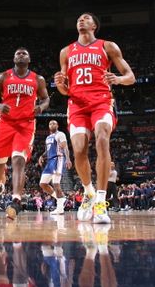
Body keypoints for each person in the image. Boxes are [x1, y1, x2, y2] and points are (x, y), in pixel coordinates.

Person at [54, 13, 136, 224]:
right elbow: (64, 90)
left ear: (94, 26)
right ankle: (89, 193)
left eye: (86, 18)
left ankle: (100, 202)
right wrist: (60, 83)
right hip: (77, 105)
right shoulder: (66, 51)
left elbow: (130, 77)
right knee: (79, 149)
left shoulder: (108, 46)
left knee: (101, 138)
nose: (81, 20)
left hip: (101, 101)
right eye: (79, 18)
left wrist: (117, 79)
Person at [0, 48, 51, 219]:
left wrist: (41, 107)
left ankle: (16, 200)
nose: (21, 55)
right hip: (5, 123)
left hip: (26, 125)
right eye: (17, 53)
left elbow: (46, 99)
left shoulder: (38, 79)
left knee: (18, 160)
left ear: (29, 59)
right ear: (14, 59)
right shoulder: (3, 77)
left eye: (24, 53)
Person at [38, 120, 71, 215]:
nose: (52, 124)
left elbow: (65, 147)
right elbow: (47, 151)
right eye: (50, 123)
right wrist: (41, 156)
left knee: (56, 184)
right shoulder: (48, 137)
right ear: (48, 126)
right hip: (50, 161)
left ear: (57, 125)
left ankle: (60, 208)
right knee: (43, 184)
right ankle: (60, 198)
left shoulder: (60, 134)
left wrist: (68, 159)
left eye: (54, 123)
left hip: (58, 159)